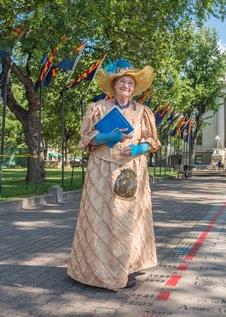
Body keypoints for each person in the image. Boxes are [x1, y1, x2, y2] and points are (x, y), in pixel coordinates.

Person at [67, 58, 161, 290]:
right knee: (102, 217)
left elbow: (153, 141)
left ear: (134, 87)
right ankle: (98, 269)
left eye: (130, 82)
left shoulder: (144, 112)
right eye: (122, 82)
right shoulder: (97, 109)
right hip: (101, 170)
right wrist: (111, 137)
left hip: (132, 171)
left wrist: (138, 148)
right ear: (113, 85)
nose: (126, 86)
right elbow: (86, 139)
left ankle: (128, 266)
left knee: (128, 219)